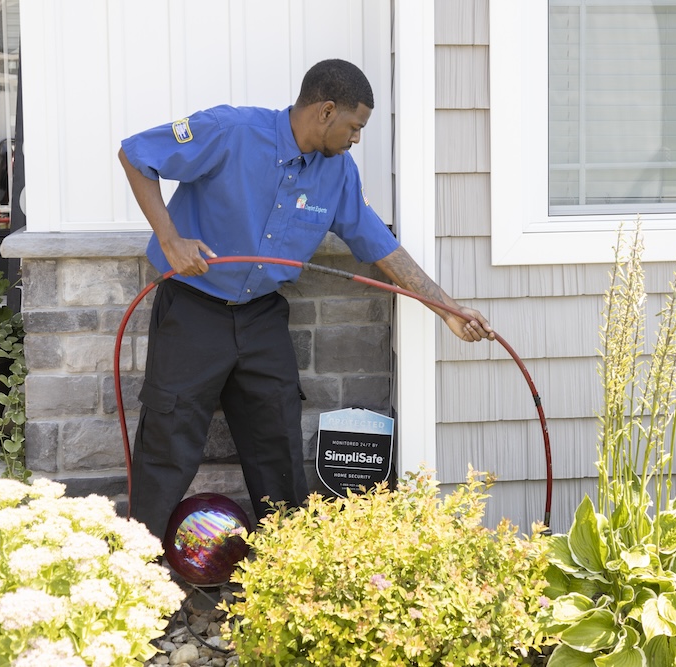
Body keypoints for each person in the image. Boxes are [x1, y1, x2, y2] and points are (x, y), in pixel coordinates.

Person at [118, 58, 493, 540]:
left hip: (261, 319)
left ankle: (285, 570)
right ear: (327, 111)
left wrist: (448, 310)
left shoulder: (337, 174)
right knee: (168, 445)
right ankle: (140, 574)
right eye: (355, 126)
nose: (356, 138)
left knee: (276, 446)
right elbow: (135, 154)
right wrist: (170, 240)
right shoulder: (230, 130)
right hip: (192, 310)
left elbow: (379, 245)